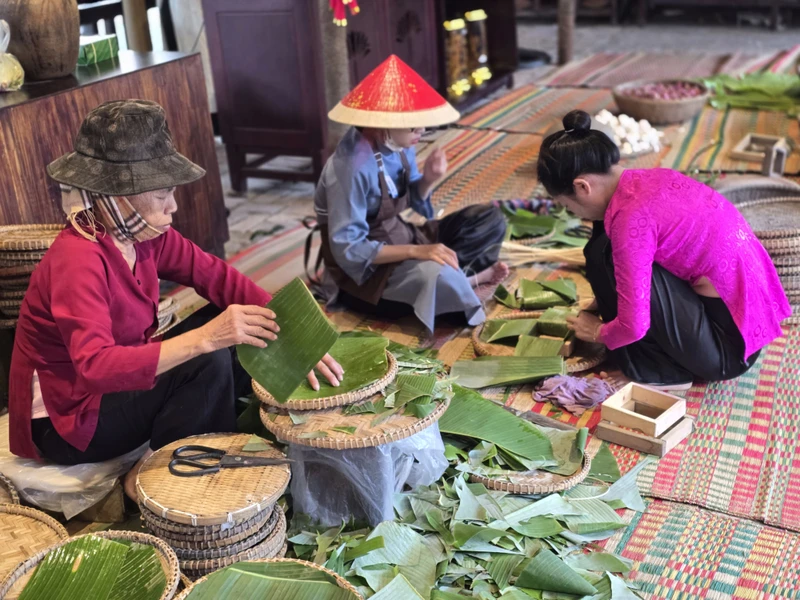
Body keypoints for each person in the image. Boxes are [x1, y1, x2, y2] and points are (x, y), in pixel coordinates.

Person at [8, 100, 343, 499]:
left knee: (234, 320)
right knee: (208, 355)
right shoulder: (77, 260)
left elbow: (216, 276)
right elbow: (95, 367)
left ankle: (218, 430)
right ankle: (167, 472)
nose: (174, 206)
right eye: (163, 193)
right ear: (122, 195)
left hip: (111, 391)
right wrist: (205, 339)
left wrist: (293, 331)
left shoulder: (139, 235)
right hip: (69, 422)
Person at [536, 109, 790, 388]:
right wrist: (604, 300)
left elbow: (635, 326)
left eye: (567, 205)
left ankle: (659, 370)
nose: (573, 213)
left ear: (582, 186)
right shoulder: (649, 179)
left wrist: (597, 331)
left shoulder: (631, 220)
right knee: (605, 239)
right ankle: (652, 356)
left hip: (729, 351)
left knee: (608, 252)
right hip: (749, 323)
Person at [311, 55, 508, 331]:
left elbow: (412, 198)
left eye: (422, 123)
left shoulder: (400, 142)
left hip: (402, 235)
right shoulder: (350, 167)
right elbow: (349, 248)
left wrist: (428, 179)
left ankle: (458, 277)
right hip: (365, 271)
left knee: (489, 219)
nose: (421, 131)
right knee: (437, 277)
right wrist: (418, 251)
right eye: (413, 126)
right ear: (383, 123)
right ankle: (466, 279)